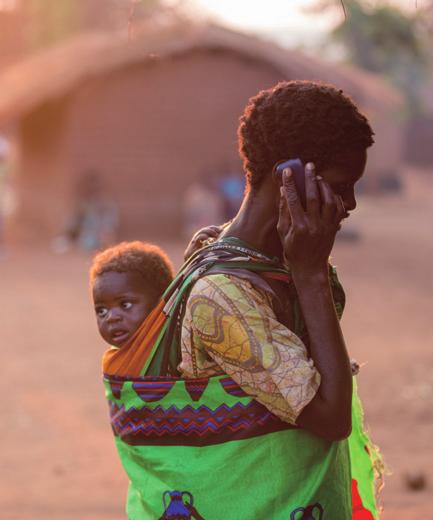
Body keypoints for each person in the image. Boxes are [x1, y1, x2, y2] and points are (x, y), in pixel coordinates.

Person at [102, 80, 382, 519]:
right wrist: (309, 274)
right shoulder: (223, 294)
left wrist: (307, 267)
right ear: (288, 177)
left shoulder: (271, 258)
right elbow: (330, 418)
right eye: (341, 185)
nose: (349, 203)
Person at [90, 241, 174, 347]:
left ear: (161, 302)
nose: (111, 317)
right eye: (102, 311)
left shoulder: (180, 351)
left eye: (125, 305)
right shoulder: (115, 360)